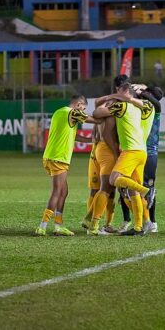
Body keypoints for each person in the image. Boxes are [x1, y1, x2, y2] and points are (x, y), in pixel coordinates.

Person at [93, 75, 150, 236]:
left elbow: (97, 113)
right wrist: (126, 96)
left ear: (123, 92)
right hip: (142, 151)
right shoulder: (142, 107)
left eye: (119, 91)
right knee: (132, 191)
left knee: (113, 180)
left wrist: (114, 97)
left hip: (130, 151)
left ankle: (145, 190)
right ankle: (139, 227)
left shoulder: (121, 107)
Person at [35, 95, 97, 236]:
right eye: (83, 108)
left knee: (63, 192)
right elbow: (93, 120)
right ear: (78, 104)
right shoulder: (72, 112)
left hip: (50, 156)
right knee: (57, 191)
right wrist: (107, 117)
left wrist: (91, 140)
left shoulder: (59, 112)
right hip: (59, 158)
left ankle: (58, 225)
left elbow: (73, 136)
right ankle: (42, 226)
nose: (83, 111)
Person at [82, 100, 120, 236]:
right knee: (106, 188)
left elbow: (95, 136)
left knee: (102, 189)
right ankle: (93, 222)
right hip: (106, 152)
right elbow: (103, 135)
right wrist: (115, 151)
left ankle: (98, 222)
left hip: (97, 151)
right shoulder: (110, 115)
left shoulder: (100, 116)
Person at [135, 84, 164, 233]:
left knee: (148, 188)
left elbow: (157, 102)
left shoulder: (156, 108)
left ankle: (152, 222)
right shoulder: (143, 107)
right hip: (136, 150)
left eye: (146, 93)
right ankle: (138, 221)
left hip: (150, 153)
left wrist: (141, 91)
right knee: (135, 186)